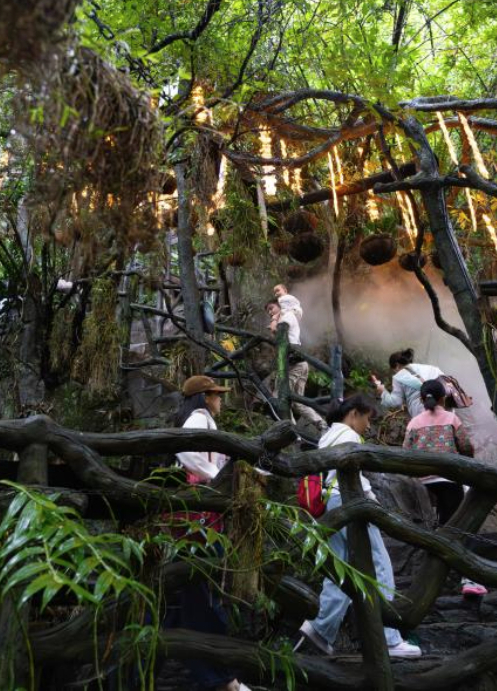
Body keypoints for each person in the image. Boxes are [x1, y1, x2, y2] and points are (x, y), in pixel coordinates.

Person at [295, 395, 421, 658]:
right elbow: (356, 479)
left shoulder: (327, 436)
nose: (368, 426)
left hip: (331, 505)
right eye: (367, 418)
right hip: (350, 502)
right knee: (379, 564)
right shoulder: (350, 437)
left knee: (341, 566)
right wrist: (374, 505)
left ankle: (322, 628)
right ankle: (389, 639)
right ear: (354, 413)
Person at [165, 375, 251, 691]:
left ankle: (210, 674)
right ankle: (220, 679)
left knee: (189, 589)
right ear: (204, 397)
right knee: (201, 585)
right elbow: (187, 453)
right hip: (198, 514)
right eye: (216, 395)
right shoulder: (198, 419)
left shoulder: (197, 419)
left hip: (196, 512)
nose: (220, 400)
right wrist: (214, 476)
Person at [404, 379, 487, 596]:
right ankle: (468, 580)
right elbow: (466, 446)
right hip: (450, 483)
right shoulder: (452, 418)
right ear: (443, 398)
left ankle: (432, 580)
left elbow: (405, 452)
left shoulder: (413, 423)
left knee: (437, 529)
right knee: (460, 528)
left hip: (422, 486)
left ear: (422, 400)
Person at [266, 285, 327, 433]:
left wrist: (274, 320)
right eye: (268, 311)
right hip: (299, 363)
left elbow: (278, 331)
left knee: (279, 395)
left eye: (271, 308)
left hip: (295, 364)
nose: (270, 312)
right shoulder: (288, 316)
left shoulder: (287, 317)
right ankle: (321, 424)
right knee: (298, 402)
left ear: (280, 306)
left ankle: (291, 432)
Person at [372, 348, 445, 420]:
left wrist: (383, 392)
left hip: (421, 412)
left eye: (394, 370)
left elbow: (395, 402)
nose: (395, 373)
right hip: (443, 407)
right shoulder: (427, 368)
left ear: (397, 365)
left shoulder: (399, 376)